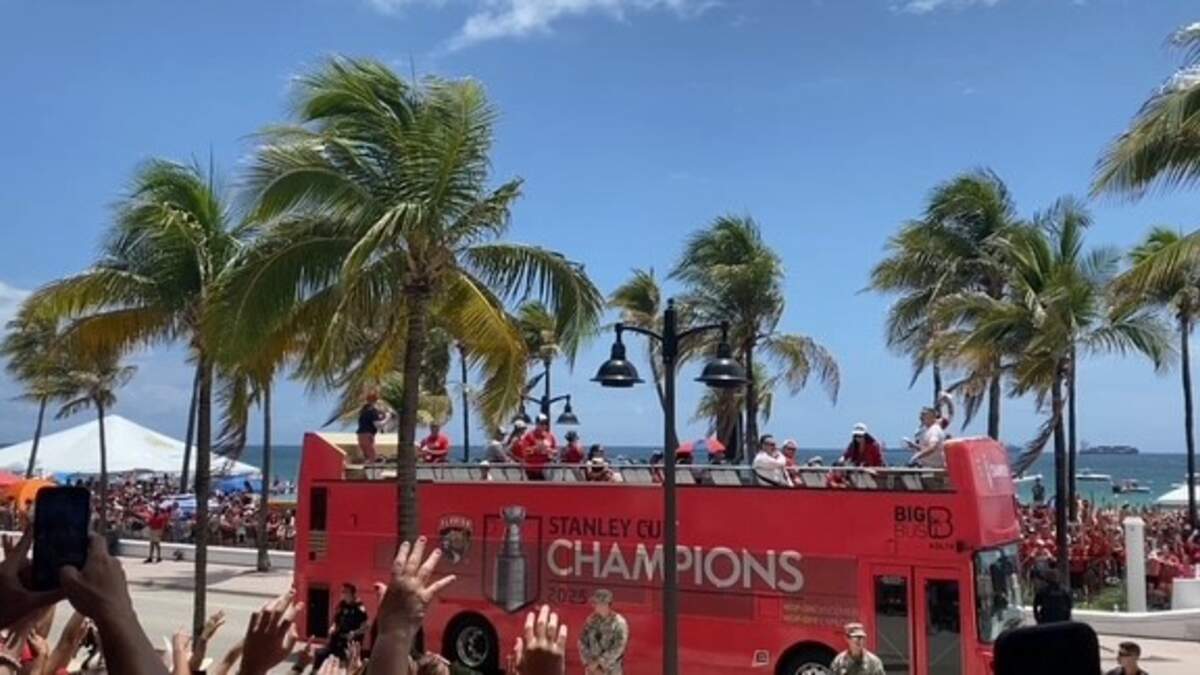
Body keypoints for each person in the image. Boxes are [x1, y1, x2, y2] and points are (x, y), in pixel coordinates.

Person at [309, 583, 369, 672]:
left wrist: (354, 633)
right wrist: (333, 627)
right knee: (320, 654)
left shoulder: (359, 608)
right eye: (342, 592)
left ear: (353, 594)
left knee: (343, 662)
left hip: (349, 643)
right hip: (337, 639)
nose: (343, 594)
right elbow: (336, 620)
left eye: (345, 592)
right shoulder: (342, 604)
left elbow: (366, 626)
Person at [578, 589, 628, 675]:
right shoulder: (591, 620)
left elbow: (619, 647)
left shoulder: (619, 623)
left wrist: (600, 663)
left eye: (596, 603)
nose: (594, 606)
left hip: (610, 671)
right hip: (592, 671)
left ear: (605, 604)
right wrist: (589, 663)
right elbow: (582, 641)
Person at [356, 391, 390, 463]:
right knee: (372, 457)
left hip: (360, 436)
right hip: (367, 436)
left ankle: (369, 467)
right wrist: (387, 417)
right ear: (375, 401)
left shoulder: (364, 410)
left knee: (367, 457)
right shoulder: (373, 411)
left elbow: (370, 420)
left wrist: (381, 416)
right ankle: (372, 468)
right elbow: (378, 425)